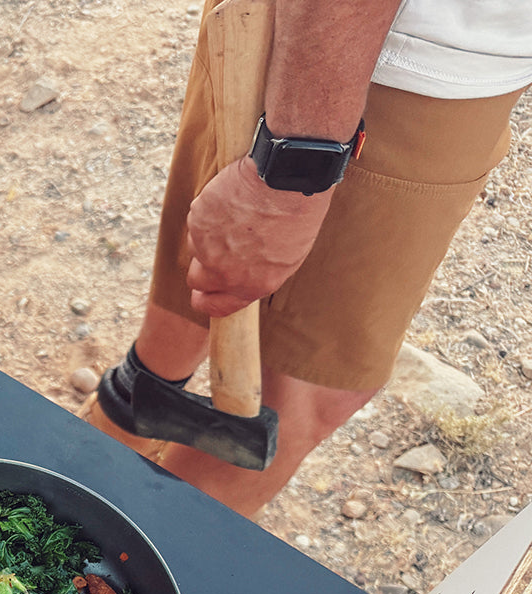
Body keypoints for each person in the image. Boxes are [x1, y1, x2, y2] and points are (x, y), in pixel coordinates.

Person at [83, 0, 532, 518]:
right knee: (308, 387)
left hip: (321, 41)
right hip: (383, 65)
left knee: (202, 294)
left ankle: (85, 469)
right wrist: (292, 173)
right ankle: (96, 561)